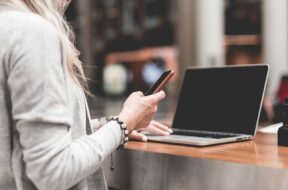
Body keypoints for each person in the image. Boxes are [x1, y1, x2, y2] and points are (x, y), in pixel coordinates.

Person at [0, 0, 172, 189]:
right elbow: (54, 171)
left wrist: (106, 126)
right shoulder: (33, 33)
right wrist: (122, 125)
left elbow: (20, 134)